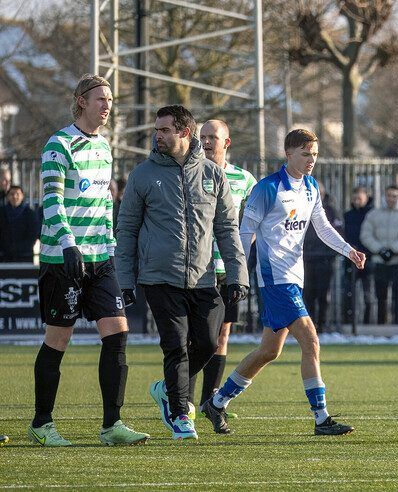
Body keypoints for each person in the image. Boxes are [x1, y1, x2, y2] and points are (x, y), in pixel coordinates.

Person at [200, 129, 366, 436]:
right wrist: (240, 273)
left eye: (314, 155)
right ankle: (321, 418)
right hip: (275, 279)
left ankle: (218, 401)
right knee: (311, 341)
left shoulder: (311, 187)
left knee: (269, 351)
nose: (311, 160)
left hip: (293, 277)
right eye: (305, 154)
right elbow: (245, 234)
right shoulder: (267, 188)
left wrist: (349, 251)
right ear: (288, 154)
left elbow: (323, 227)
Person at [115, 105, 249, 440]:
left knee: (208, 342)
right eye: (156, 130)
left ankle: (166, 389)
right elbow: (127, 229)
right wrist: (125, 279)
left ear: (184, 133)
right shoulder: (143, 175)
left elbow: (228, 229)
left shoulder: (213, 175)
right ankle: (179, 414)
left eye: (164, 130)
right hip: (158, 277)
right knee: (175, 345)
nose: (157, 136)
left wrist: (238, 275)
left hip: (203, 277)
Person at [29, 74, 149, 447]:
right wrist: (68, 244)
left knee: (118, 334)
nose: (107, 105)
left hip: (101, 258)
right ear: (81, 101)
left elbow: (102, 208)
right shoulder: (58, 145)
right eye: (101, 99)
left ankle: (112, 425)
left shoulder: (104, 148)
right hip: (63, 258)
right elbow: (51, 200)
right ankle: (41, 423)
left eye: (110, 99)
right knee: (58, 339)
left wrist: (112, 250)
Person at [185, 119, 257, 420]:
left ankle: (209, 401)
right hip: (195, 268)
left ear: (226, 142)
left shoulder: (244, 179)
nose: (206, 141)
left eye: (212, 137)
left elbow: (254, 222)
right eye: (202, 136)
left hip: (226, 268)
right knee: (192, 335)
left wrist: (242, 253)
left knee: (222, 336)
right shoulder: (188, 173)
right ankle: (183, 401)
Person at [360, 185, 398, 324]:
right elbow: (365, 234)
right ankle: (381, 324)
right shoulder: (373, 214)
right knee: (380, 296)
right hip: (379, 260)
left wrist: (393, 249)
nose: (391, 199)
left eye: (394, 196)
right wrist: (380, 249)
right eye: (389, 195)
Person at [303, 181, 341, 331]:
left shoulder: (331, 210)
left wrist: (331, 252)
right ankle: (310, 324)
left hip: (325, 258)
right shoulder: (302, 208)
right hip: (306, 258)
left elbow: (337, 232)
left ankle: (323, 323)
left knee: (323, 293)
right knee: (308, 293)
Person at [342, 186, 374, 323]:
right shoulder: (348, 215)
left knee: (369, 294)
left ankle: (368, 321)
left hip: (368, 256)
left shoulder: (372, 214)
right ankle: (349, 321)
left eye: (359, 198)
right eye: (355, 198)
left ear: (366, 198)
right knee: (349, 293)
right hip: (350, 257)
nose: (357, 201)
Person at [0, 185, 38, 262]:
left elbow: (33, 234)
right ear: (7, 197)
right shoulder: (2, 212)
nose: (14, 196)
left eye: (17, 194)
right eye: (12, 194)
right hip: (4, 255)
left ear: (22, 196)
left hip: (25, 254)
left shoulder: (30, 213)